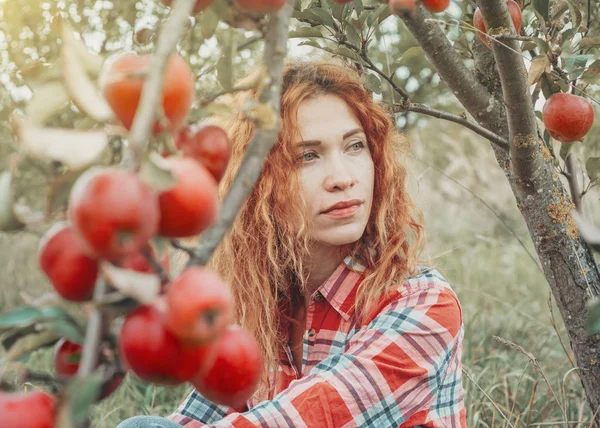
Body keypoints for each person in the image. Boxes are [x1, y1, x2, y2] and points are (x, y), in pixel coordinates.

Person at [117, 56, 466, 427]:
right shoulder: (260, 307)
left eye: (354, 146)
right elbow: (194, 418)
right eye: (308, 156)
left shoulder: (424, 304)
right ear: (258, 183)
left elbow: (311, 417)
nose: (342, 177)